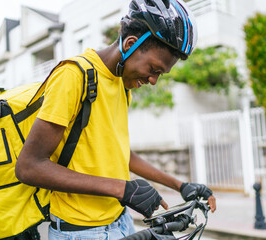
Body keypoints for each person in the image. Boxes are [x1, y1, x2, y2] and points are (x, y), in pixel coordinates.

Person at [15, 0, 216, 239]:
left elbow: (120, 153)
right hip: (82, 232)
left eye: (160, 74)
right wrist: (123, 189)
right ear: (131, 44)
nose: (154, 81)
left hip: (121, 222)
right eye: (154, 69)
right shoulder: (74, 76)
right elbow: (29, 166)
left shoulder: (122, 85)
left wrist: (180, 186)